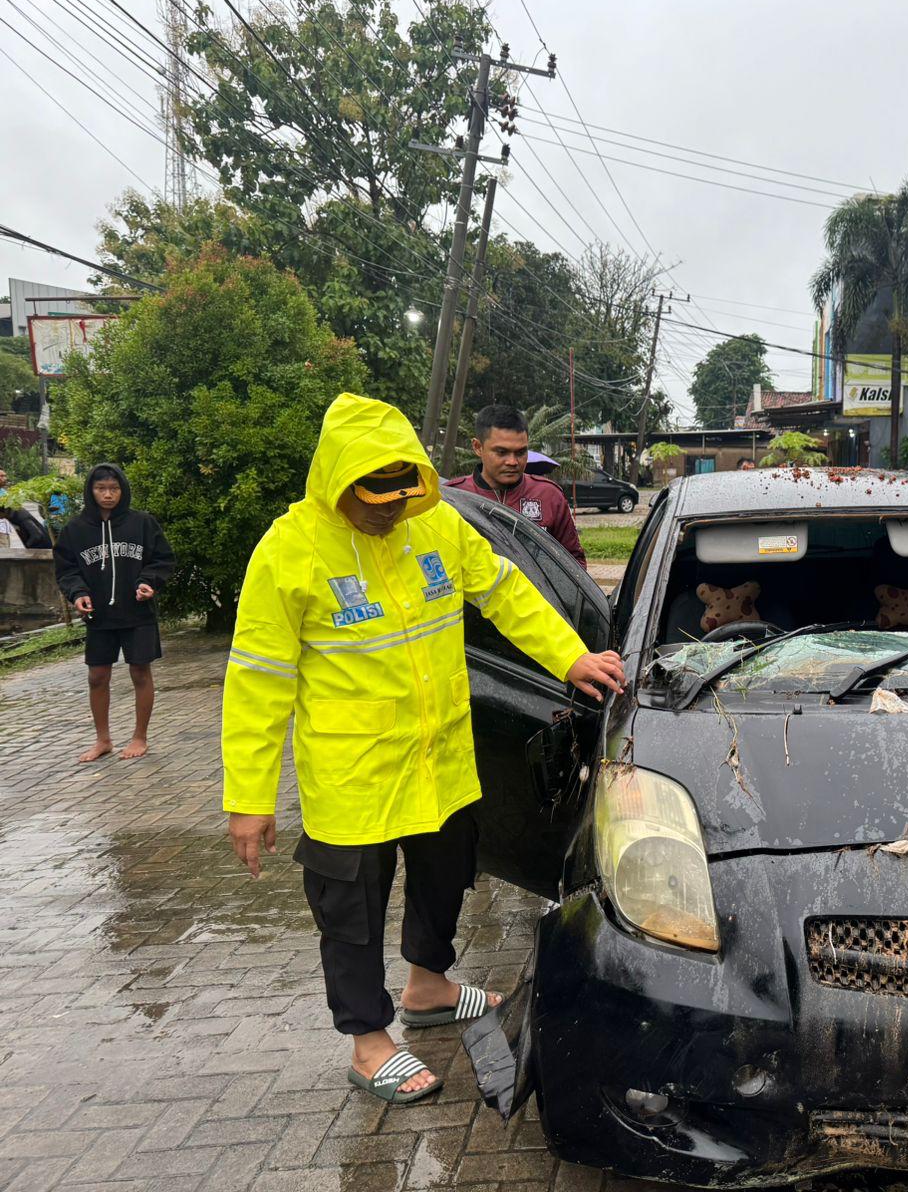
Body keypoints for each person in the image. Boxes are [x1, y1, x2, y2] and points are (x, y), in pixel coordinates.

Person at [222, 393, 626, 1105]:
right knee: (352, 910)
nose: (386, 510)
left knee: (446, 878)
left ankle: (429, 985)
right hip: (353, 777)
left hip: (439, 760)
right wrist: (249, 800)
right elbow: (257, 683)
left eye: (398, 495)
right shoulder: (290, 551)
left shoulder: (434, 523)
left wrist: (570, 657)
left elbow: (503, 591)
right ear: (337, 480)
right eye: (371, 497)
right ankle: (370, 1039)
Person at [52, 464, 174, 763]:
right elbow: (66, 570)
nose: (108, 495)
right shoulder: (75, 530)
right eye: (101, 489)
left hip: (137, 613)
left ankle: (139, 736)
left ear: (123, 490)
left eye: (114, 489)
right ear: (90, 491)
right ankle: (103, 739)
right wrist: (78, 594)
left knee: (140, 672)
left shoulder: (142, 524)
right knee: (97, 675)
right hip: (99, 616)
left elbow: (162, 559)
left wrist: (149, 582)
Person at [444, 404, 586, 568]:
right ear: (477, 447)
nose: (512, 462)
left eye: (520, 452)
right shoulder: (453, 498)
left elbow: (574, 563)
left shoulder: (548, 495)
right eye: (501, 452)